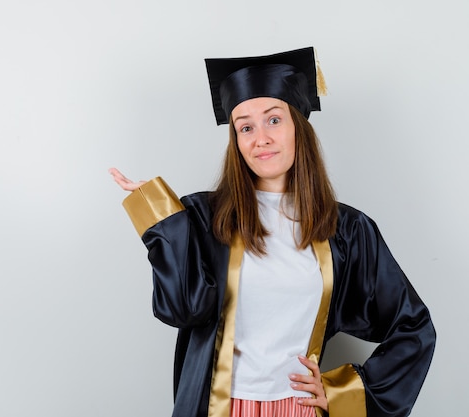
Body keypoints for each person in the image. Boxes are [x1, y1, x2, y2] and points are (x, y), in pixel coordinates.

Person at [109, 47, 435, 417]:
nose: (259, 138)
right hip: (220, 407)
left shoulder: (346, 230)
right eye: (245, 126)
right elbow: (182, 309)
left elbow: (414, 327)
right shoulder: (203, 217)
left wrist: (340, 391)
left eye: (273, 120)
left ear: (298, 125)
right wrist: (158, 213)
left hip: (299, 409)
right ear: (237, 141)